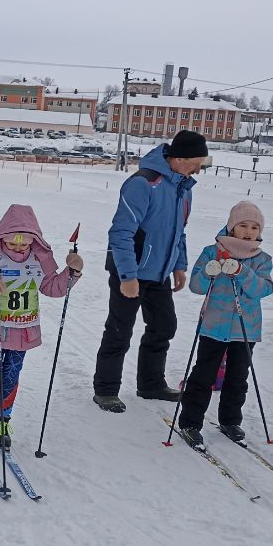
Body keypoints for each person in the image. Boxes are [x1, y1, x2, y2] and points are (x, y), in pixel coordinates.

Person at [93, 130, 207, 413]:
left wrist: (179, 265)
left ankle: (151, 384)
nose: (199, 168)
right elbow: (120, 233)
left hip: (159, 274)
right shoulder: (143, 183)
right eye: (197, 161)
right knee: (120, 330)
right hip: (130, 271)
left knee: (164, 326)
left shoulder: (183, 186)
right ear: (179, 159)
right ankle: (106, 390)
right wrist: (128, 277)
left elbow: (178, 232)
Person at [0, 204, 82, 449]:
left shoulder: (40, 257)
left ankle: (3, 420)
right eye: (12, 243)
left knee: (11, 376)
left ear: (33, 240)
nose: (18, 248)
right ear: (3, 237)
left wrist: (72, 273)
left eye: (24, 244)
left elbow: (51, 287)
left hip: (24, 329)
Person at [176, 201, 273, 449]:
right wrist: (208, 273)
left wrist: (242, 271)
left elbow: (263, 289)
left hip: (245, 329)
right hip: (214, 327)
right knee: (203, 375)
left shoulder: (261, 259)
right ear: (232, 227)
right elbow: (197, 287)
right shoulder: (213, 251)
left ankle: (230, 420)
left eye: (254, 227)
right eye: (243, 225)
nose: (249, 232)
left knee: (238, 377)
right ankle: (190, 422)